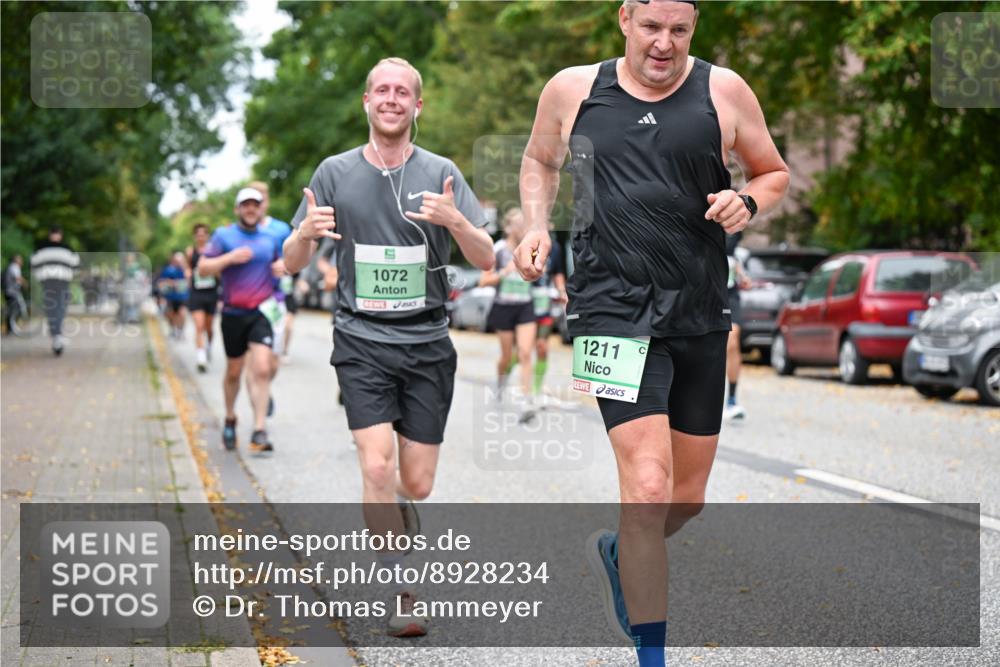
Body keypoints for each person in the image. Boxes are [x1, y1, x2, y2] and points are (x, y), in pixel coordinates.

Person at [513, 2, 789, 665]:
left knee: (685, 500)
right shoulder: (573, 89)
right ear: (624, 19)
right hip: (610, 308)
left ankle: (618, 550)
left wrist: (748, 201)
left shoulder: (723, 90)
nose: (663, 44)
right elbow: (539, 161)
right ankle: (652, 654)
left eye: (680, 30)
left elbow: (774, 172)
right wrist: (533, 224)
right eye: (651, 27)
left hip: (697, 309)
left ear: (693, 28)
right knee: (646, 486)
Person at [282, 57, 494, 637]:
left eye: (403, 92)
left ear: (417, 106)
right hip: (360, 337)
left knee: (416, 482)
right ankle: (403, 590)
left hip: (427, 340)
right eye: (382, 90)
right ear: (367, 102)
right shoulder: (333, 172)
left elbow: (487, 258)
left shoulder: (442, 170)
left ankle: (403, 508)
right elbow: (291, 261)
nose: (392, 99)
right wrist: (302, 234)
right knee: (376, 465)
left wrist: (457, 222)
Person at [198, 187, 282, 456]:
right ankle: (231, 417)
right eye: (245, 205)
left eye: (255, 205)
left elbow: (285, 264)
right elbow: (203, 267)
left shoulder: (271, 238)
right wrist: (229, 258)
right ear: (237, 209)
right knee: (234, 371)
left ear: (261, 209)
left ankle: (259, 429)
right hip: (233, 312)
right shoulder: (223, 236)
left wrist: (286, 268)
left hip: (262, 312)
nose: (250, 209)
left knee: (262, 368)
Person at [479, 208, 537, 406]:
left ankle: (526, 398)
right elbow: (483, 281)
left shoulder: (531, 248)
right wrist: (505, 272)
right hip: (503, 307)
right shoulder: (499, 249)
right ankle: (501, 383)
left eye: (525, 224)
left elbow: (540, 273)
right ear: (508, 227)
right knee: (507, 357)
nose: (522, 228)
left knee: (525, 352)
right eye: (518, 224)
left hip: (525, 306)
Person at [248, 180, 291, 414]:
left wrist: (285, 266)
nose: (259, 203)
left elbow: (293, 257)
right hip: (246, 304)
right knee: (253, 363)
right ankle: (258, 418)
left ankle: (264, 387)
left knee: (271, 363)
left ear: (267, 201)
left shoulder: (281, 229)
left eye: (262, 198)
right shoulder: (237, 232)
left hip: (275, 300)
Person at [530, 224, 568, 402]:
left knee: (542, 347)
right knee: (522, 350)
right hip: (525, 304)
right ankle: (507, 377)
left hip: (545, 303)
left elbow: (558, 273)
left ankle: (536, 389)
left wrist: (561, 291)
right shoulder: (527, 241)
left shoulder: (555, 247)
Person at [30, 226, 79, 355]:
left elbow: (33, 264)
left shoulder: (40, 249)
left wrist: (40, 277)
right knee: (57, 309)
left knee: (54, 309)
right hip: (58, 282)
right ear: (60, 235)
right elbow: (76, 265)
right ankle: (57, 335)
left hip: (51, 282)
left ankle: (56, 335)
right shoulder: (67, 249)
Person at [724, 232, 751, 420]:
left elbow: (732, 256)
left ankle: (732, 399)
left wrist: (742, 274)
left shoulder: (736, 216)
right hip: (702, 291)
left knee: (733, 342)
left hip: (729, 293)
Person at [187, 223, 220, 372]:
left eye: (203, 234)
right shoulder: (190, 252)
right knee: (199, 326)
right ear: (195, 236)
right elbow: (188, 271)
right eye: (198, 234)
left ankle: (208, 346)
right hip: (196, 293)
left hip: (211, 293)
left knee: (209, 327)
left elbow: (220, 272)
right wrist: (189, 275)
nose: (201, 237)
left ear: (207, 236)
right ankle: (201, 359)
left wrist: (212, 271)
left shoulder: (214, 251)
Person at [158, 251, 189, 339]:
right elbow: (162, 282)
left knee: (182, 314)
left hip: (182, 296)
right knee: (170, 313)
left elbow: (187, 281)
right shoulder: (168, 269)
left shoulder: (185, 270)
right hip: (170, 296)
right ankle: (172, 329)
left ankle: (180, 330)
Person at [3, 255, 26, 335]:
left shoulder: (11, 267)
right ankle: (10, 329)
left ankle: (10, 329)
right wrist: (25, 283)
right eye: (20, 259)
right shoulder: (14, 267)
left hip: (9, 292)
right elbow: (18, 278)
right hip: (11, 292)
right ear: (16, 260)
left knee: (12, 310)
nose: (21, 261)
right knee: (14, 310)